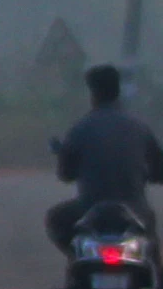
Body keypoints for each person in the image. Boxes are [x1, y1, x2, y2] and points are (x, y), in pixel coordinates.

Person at [48, 64, 162, 252]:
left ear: (93, 93)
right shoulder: (139, 128)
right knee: (150, 235)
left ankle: (77, 258)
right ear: (117, 91)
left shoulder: (80, 129)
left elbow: (65, 175)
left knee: (55, 219)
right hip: (135, 209)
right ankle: (157, 276)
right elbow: (159, 171)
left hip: (90, 209)